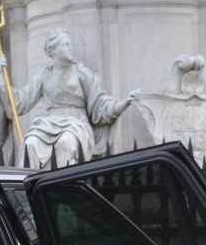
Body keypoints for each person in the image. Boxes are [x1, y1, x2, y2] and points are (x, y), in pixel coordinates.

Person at [14, 30, 140, 167]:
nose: (71, 47)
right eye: (66, 44)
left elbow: (101, 106)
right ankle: (31, 186)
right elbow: (20, 103)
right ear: (54, 51)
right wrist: (2, 81)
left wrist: (125, 102)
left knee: (66, 142)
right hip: (48, 125)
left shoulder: (81, 72)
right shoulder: (42, 76)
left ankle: (62, 186)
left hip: (76, 124)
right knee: (30, 143)